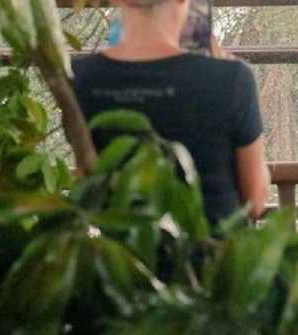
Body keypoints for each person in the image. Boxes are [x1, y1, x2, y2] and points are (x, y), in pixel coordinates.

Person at [72, 0, 269, 224]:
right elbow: (255, 201)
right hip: (217, 253)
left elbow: (87, 182)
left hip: (125, 253)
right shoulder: (232, 79)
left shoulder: (80, 77)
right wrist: (222, 74)